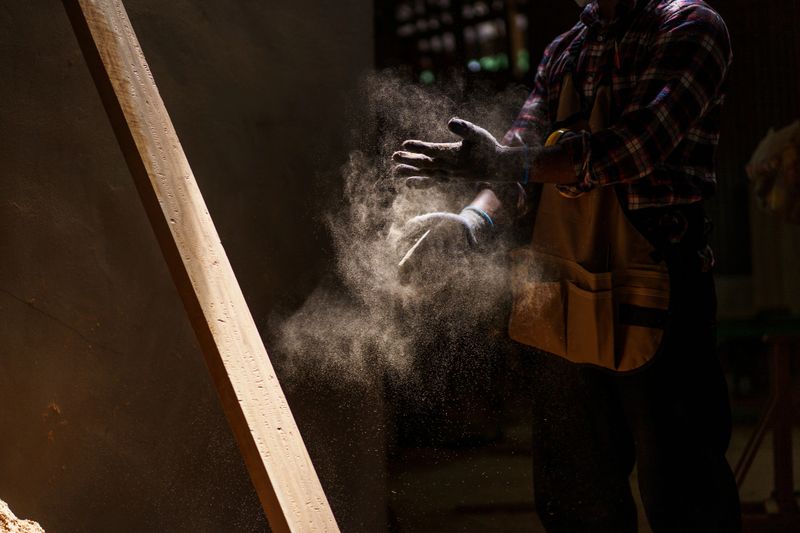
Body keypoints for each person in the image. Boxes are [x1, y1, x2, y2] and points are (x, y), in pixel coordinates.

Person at [392, 0, 741, 531]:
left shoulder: (689, 26)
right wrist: (471, 222)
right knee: (575, 499)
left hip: (661, 293)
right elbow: (518, 155)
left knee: (686, 494)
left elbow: (637, 147)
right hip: (561, 293)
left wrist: (512, 163)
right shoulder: (565, 50)